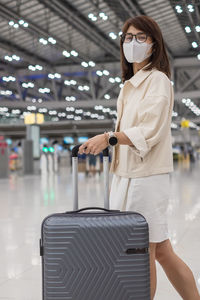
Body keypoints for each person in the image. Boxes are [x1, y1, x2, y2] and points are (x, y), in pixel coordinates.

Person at [79, 15, 200, 300]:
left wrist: (109, 138)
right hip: (127, 177)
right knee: (162, 250)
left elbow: (150, 130)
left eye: (141, 37)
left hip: (146, 178)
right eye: (128, 38)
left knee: (142, 250)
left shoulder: (158, 81)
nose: (132, 43)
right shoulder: (129, 86)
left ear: (154, 45)